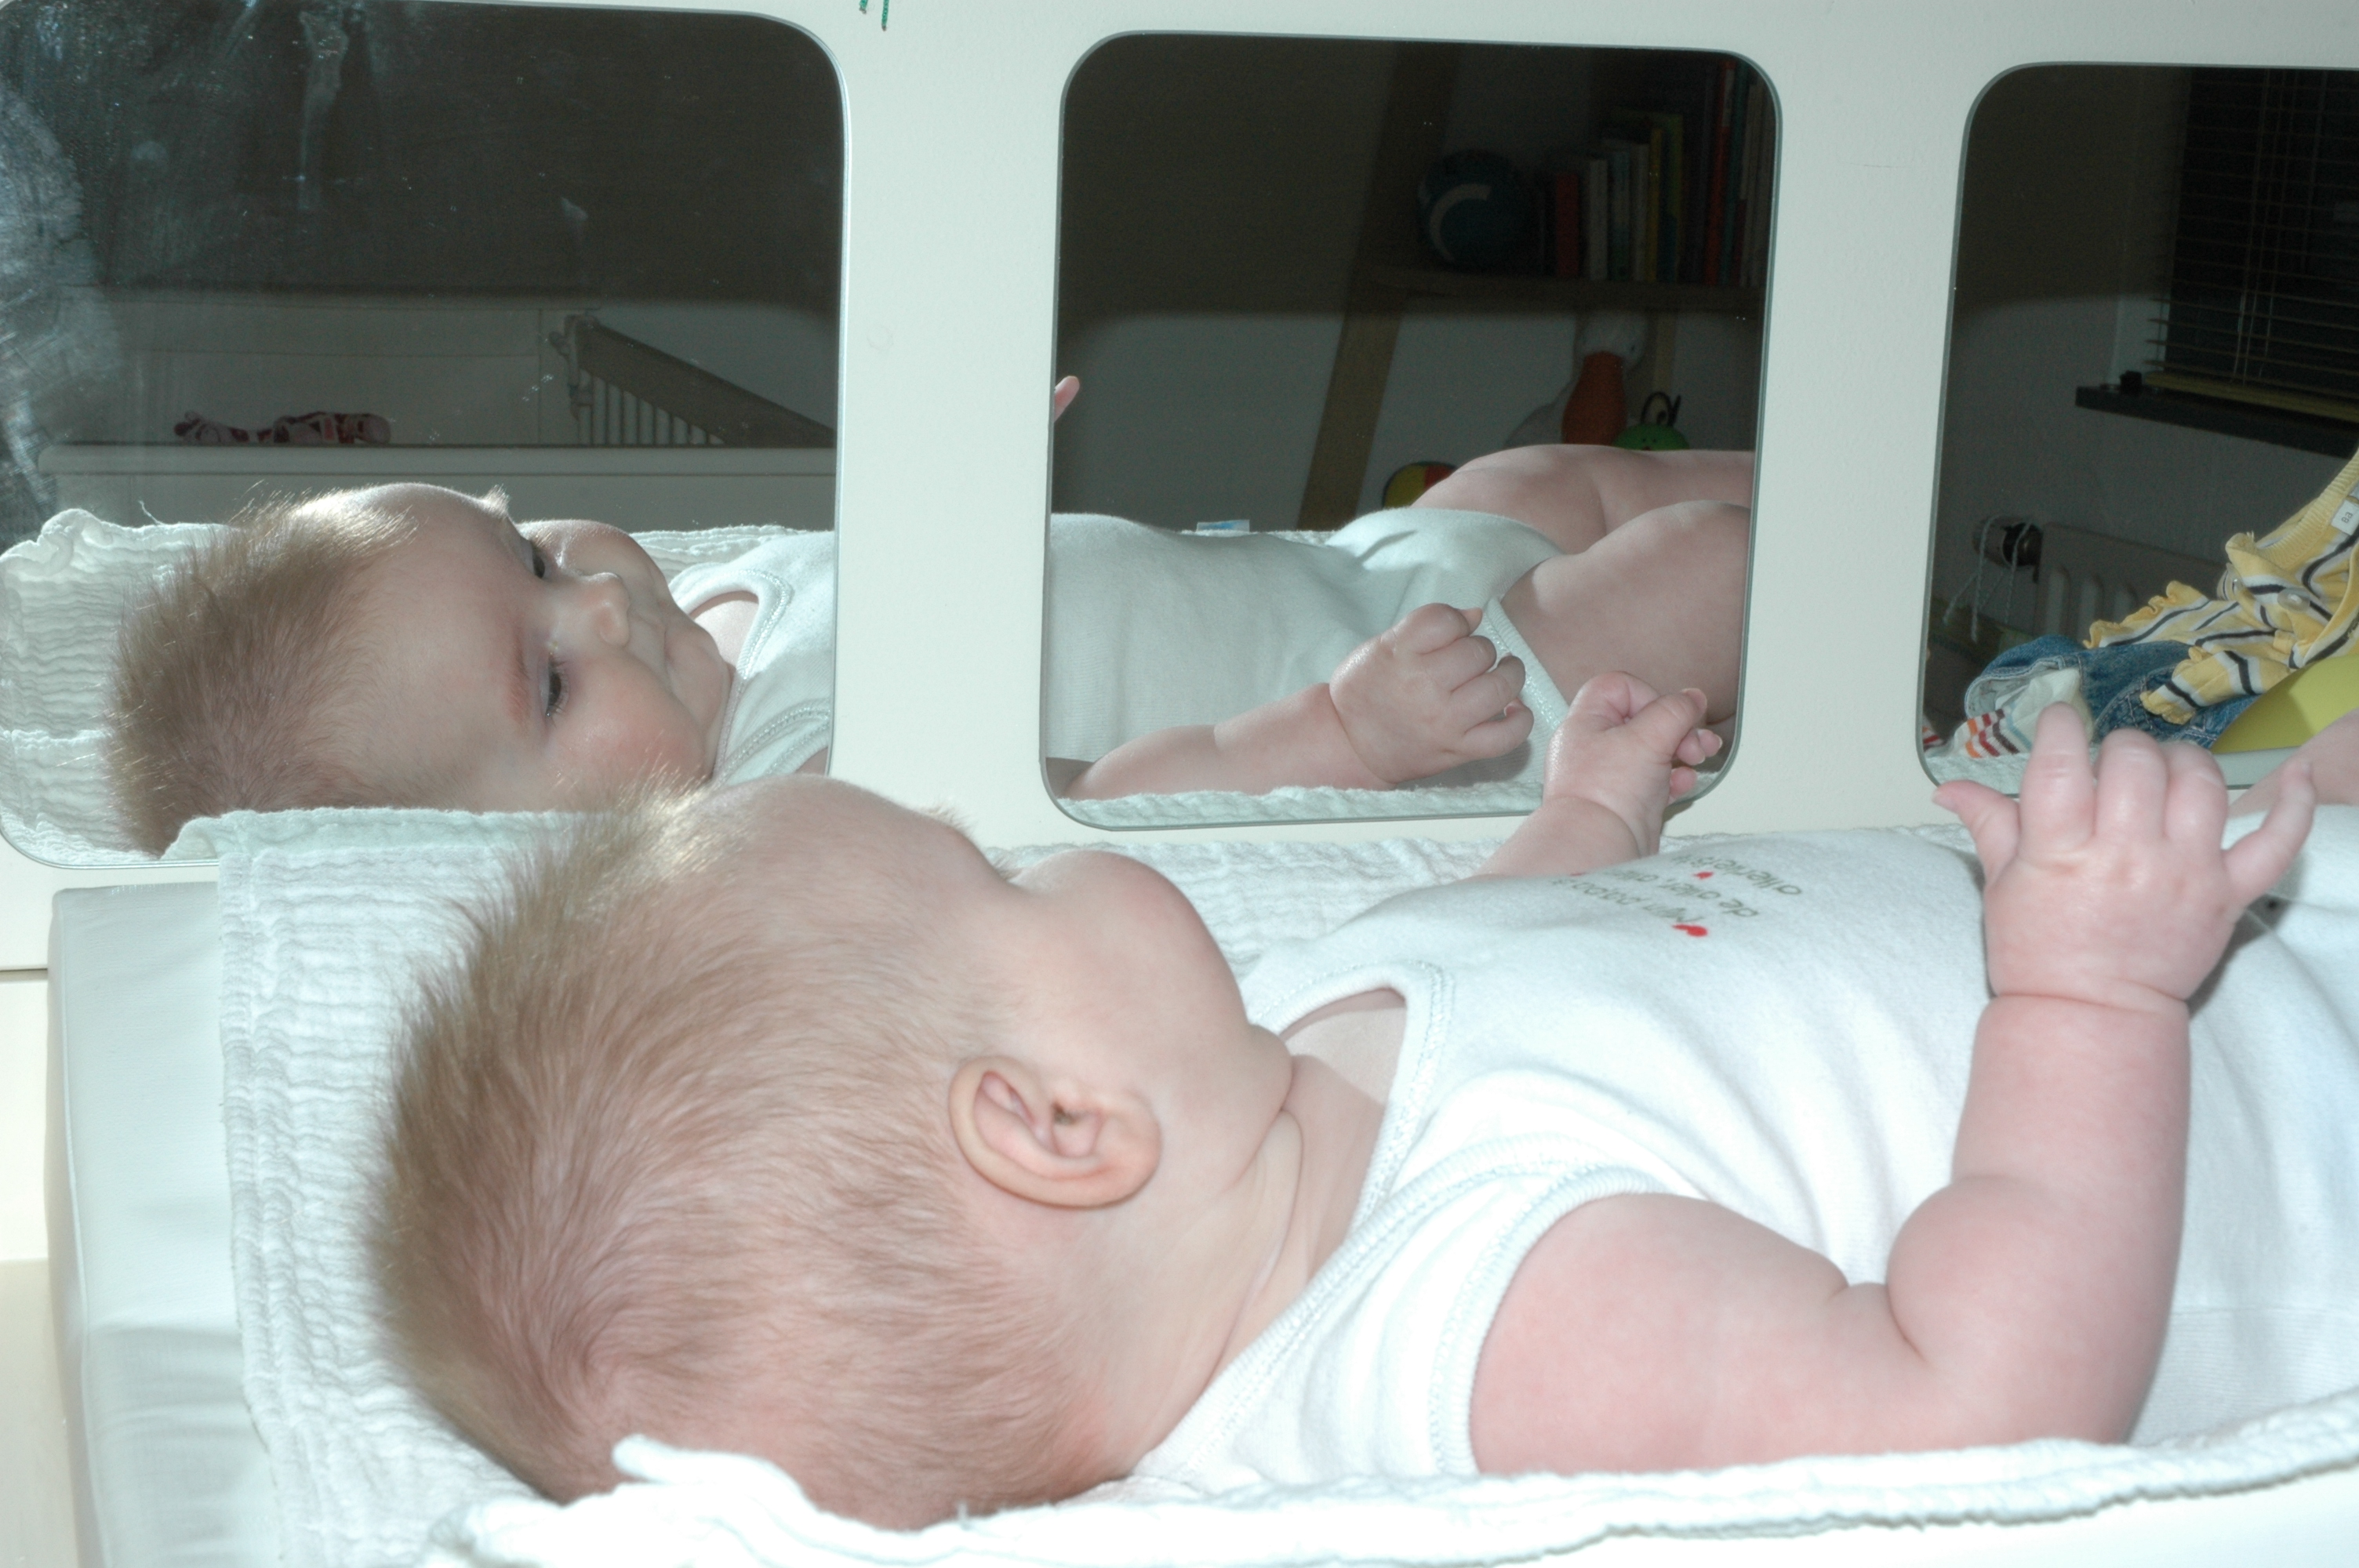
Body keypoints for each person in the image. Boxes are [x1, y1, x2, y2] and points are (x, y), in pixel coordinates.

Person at [374, 677, 2357, 1530]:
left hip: (2241, 908)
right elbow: (1976, 1420)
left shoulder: (1276, 1073)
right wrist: (2091, 992)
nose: (1041, 853)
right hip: (2291, 1105)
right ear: (1055, 1125)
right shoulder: (1486, 1320)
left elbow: (1483, 949)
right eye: (992, 869)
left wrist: (1589, 820)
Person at [102, 408, 1752, 852]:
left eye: (530, 553)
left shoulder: (713, 609)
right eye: (545, 678)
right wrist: (1335, 737)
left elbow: (916, 577)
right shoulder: (797, 785)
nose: (596, 597)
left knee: (1566, 472)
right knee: (1715, 560)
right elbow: (1085, 798)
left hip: (1353, 560)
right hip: (1447, 685)